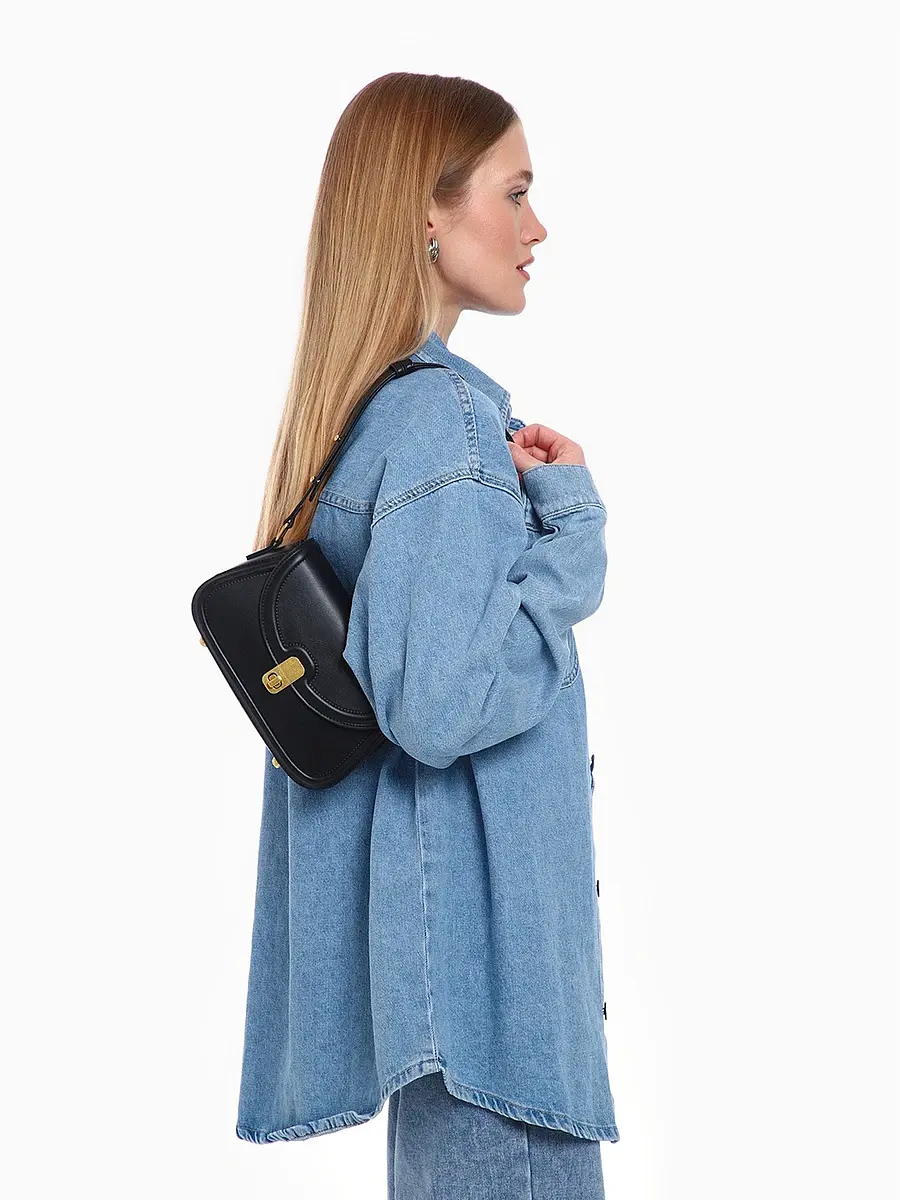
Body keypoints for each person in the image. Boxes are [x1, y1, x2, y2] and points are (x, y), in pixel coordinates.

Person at [236, 72, 619, 1198]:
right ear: (428, 214)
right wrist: (573, 543)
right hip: (493, 1018)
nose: (537, 229)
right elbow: (442, 705)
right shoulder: (443, 418)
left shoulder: (371, 419)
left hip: (450, 1005)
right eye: (516, 192)